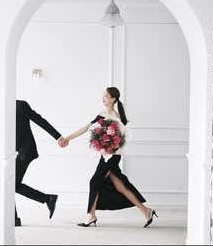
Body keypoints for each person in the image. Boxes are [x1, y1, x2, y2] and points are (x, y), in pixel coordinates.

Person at [62, 87, 158, 228]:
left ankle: (90, 215)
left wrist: (107, 147)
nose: (103, 98)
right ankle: (146, 211)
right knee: (120, 186)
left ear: (113, 99)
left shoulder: (116, 117)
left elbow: (120, 140)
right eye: (103, 95)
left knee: (94, 181)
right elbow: (87, 128)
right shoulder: (102, 114)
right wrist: (68, 138)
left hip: (113, 156)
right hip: (105, 156)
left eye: (106, 96)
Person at [15, 100, 67, 227]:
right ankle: (47, 199)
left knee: (11, 184)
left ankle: (46, 199)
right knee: (11, 184)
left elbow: (39, 120)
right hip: (11, 153)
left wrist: (58, 137)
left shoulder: (20, 105)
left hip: (25, 151)